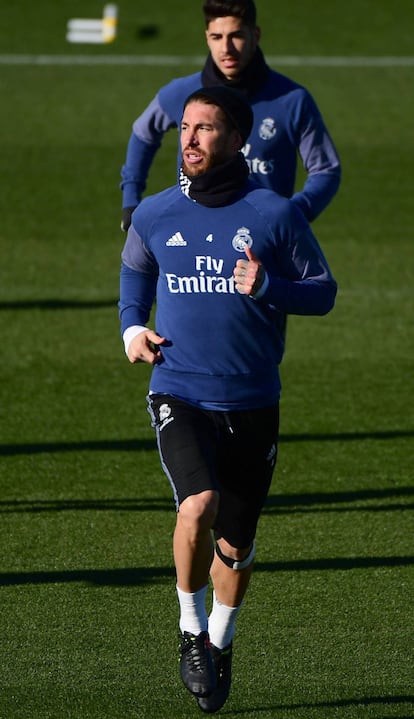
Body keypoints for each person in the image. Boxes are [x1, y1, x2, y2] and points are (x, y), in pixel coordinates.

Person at [119, 85, 337, 713]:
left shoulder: (275, 214)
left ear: (238, 139)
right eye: (185, 127)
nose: (187, 139)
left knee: (236, 543)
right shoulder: (157, 214)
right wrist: (133, 328)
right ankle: (190, 631)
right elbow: (135, 273)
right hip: (179, 390)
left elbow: (322, 291)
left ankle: (220, 640)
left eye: (205, 129)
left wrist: (270, 284)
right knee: (199, 505)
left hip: (253, 400)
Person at [120, 0, 341, 232]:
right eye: (216, 37)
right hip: (192, 242)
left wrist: (294, 213)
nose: (226, 48)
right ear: (207, 38)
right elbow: (143, 133)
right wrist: (131, 199)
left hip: (263, 247)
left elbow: (325, 170)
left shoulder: (293, 100)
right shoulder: (181, 93)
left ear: (255, 35)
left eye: (236, 36)